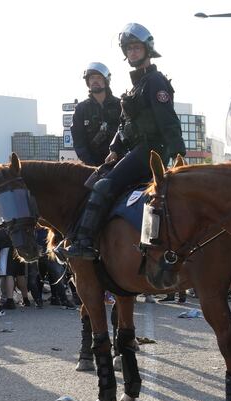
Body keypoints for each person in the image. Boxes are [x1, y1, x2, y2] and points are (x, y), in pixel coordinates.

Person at [61, 23, 186, 260]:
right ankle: (78, 237)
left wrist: (178, 153)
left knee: (103, 186)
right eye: (128, 49)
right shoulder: (137, 84)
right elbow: (124, 125)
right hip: (135, 149)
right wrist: (114, 149)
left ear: (148, 49)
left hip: (151, 150)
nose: (132, 52)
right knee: (93, 180)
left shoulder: (155, 81)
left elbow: (168, 120)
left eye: (137, 48)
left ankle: (86, 243)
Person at [71, 62, 122, 166]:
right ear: (88, 82)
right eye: (92, 78)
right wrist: (91, 166)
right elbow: (79, 143)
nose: (94, 81)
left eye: (98, 77)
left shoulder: (120, 105)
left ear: (106, 80)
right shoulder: (81, 109)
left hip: (119, 162)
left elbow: (127, 134)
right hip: (91, 166)